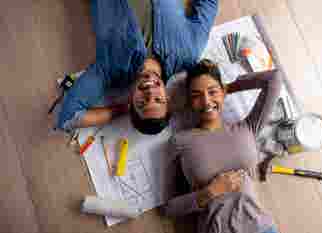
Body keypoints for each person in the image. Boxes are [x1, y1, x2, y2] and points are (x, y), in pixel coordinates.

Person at [57, 0, 218, 135]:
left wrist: (118, 110)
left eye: (142, 103)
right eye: (158, 99)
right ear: (167, 97)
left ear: (131, 102)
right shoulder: (189, 52)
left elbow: (69, 117)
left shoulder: (110, 69)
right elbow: (209, 4)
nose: (150, 92)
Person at [164, 59, 282, 233]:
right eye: (196, 96)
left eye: (212, 92)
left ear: (223, 91)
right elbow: (169, 209)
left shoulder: (248, 127)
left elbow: (274, 78)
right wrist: (210, 192)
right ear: (189, 102)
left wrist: (229, 88)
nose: (205, 101)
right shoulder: (181, 141)